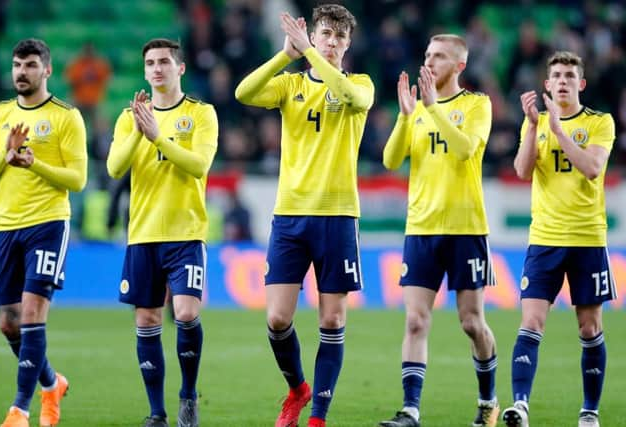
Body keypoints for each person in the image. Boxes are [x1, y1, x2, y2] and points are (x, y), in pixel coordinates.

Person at [235, 5, 374, 427]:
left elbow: (355, 99)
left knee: (331, 318)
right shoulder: (291, 84)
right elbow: (243, 93)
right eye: (325, 34)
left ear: (348, 43)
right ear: (313, 35)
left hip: (337, 217)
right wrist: (285, 55)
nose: (331, 43)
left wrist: (309, 55)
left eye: (338, 37)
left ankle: (318, 417)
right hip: (291, 216)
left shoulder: (358, 84)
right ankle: (298, 389)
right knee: (277, 318)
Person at [379, 34, 499, 427]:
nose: (429, 62)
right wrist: (404, 114)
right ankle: (410, 409)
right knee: (415, 321)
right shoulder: (416, 110)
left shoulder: (477, 105)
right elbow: (392, 159)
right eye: (428, 54)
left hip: (465, 228)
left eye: (440, 56)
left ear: (459, 65)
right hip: (421, 228)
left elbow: (465, 150)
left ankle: (487, 401)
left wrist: (432, 109)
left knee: (471, 322)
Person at [106, 38, 218, 427]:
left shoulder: (201, 113)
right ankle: (157, 413)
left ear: (180, 68)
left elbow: (199, 165)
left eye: (165, 62)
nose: (157, 68)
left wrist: (158, 136)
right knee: (147, 321)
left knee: (186, 313)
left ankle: (188, 395)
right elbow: (115, 168)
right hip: (143, 234)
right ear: (145, 71)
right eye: (151, 62)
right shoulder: (128, 118)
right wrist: (140, 131)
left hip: (186, 232)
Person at [501, 51, 615, 427]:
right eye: (556, 76)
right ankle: (520, 405)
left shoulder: (600, 123)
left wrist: (559, 129)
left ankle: (589, 412)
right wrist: (534, 127)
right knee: (531, 322)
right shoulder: (533, 123)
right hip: (545, 238)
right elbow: (521, 170)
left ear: (580, 84)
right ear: (547, 84)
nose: (562, 81)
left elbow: (592, 168)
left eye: (569, 75)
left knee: (589, 328)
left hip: (586, 238)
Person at [0, 38, 87, 427]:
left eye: (30, 65)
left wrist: (35, 164)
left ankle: (20, 410)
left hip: (48, 224)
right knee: (8, 323)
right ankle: (52, 382)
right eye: (16, 65)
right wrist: (6, 156)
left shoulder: (66, 116)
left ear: (47, 70)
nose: (21, 73)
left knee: (31, 313)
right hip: (7, 226)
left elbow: (77, 179)